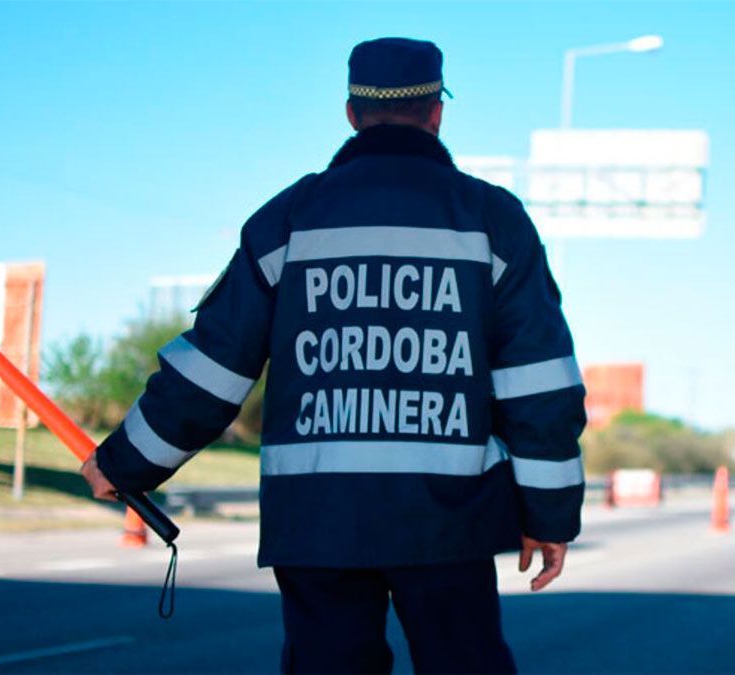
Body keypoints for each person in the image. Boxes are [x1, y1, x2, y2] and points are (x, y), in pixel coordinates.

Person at [80, 37, 587, 674]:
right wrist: (549, 513)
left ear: (351, 114)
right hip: (446, 519)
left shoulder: (289, 218)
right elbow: (539, 386)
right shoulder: (492, 219)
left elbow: (214, 364)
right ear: (436, 113)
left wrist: (125, 461)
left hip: (317, 518)